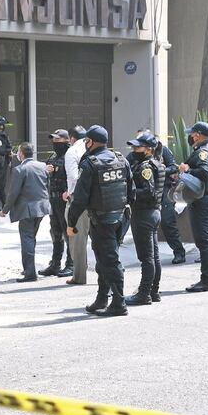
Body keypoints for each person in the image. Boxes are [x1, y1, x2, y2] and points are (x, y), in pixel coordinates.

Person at [67, 125, 134, 316]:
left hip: (102, 221)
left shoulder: (89, 164)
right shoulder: (121, 160)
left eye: (86, 140)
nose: (85, 144)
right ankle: (102, 298)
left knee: (110, 261)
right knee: (104, 260)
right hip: (120, 219)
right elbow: (132, 192)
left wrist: (71, 224)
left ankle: (118, 303)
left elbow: (79, 199)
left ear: (92, 142)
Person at [178, 122, 208, 292]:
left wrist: (187, 170)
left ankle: (207, 281)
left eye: (192, 134)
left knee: (204, 242)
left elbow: (205, 172)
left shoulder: (203, 151)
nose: (190, 137)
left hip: (204, 200)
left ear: (197, 135)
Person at [124, 132, 165, 305]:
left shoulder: (146, 167)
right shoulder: (156, 163)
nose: (134, 150)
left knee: (146, 257)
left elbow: (148, 192)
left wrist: (129, 193)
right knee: (153, 256)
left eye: (138, 147)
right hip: (153, 213)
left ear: (148, 150)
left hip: (144, 214)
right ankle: (153, 291)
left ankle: (144, 293)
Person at [1, 142, 50, 283]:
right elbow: (47, 185)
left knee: (27, 239)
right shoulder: (42, 166)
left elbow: (13, 193)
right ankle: (28, 268)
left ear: (21, 154)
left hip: (27, 209)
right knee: (31, 237)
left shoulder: (19, 169)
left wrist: (5, 210)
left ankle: (29, 272)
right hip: (42, 207)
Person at [40, 129, 72, 278]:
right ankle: (55, 264)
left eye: (58, 141)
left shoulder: (70, 157)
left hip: (64, 200)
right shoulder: (53, 157)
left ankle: (71, 264)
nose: (54, 143)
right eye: (53, 140)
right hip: (53, 199)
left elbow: (74, 178)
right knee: (55, 232)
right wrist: (47, 171)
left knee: (68, 232)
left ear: (66, 142)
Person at [64, 125, 89, 285]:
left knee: (77, 239)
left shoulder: (72, 151)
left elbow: (74, 177)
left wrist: (69, 192)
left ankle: (79, 276)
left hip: (78, 200)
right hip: (97, 200)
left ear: (72, 138)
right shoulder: (90, 148)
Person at [156, 135, 186, 264]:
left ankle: (179, 252)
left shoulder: (164, 151)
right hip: (147, 193)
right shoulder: (137, 153)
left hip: (165, 192)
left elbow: (174, 167)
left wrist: (160, 169)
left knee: (168, 223)